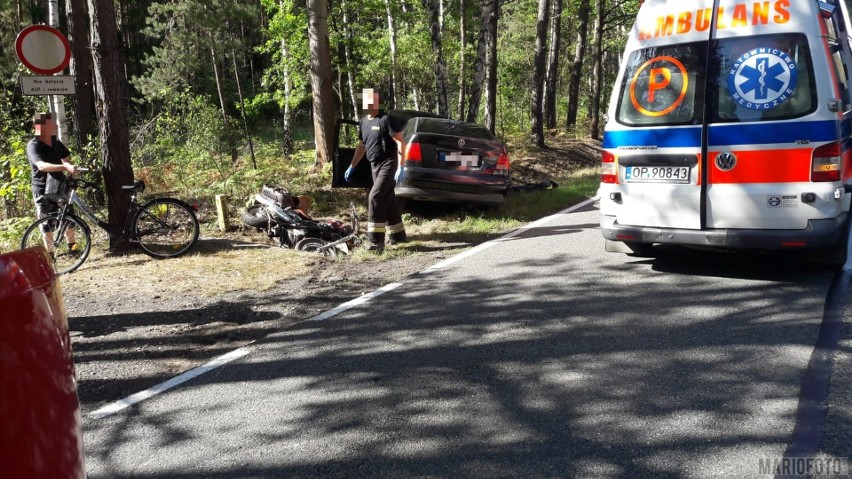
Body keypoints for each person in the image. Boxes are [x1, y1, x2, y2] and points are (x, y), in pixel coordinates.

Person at [344, 88, 407, 251]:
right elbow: (362, 145)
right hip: (374, 165)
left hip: (389, 163)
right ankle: (398, 235)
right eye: (365, 102)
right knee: (388, 197)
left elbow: (401, 141)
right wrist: (352, 165)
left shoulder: (386, 120)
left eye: (371, 101)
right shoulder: (364, 121)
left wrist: (401, 165)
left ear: (377, 102)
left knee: (375, 196)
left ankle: (375, 241)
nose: (368, 104)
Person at [26, 112, 78, 253]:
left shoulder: (55, 141)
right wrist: (64, 167)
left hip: (60, 186)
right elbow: (42, 166)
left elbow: (66, 158)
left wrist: (71, 167)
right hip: (43, 189)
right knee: (46, 223)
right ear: (41, 127)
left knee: (69, 218)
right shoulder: (33, 145)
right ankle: (50, 254)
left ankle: (72, 248)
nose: (55, 125)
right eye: (51, 123)